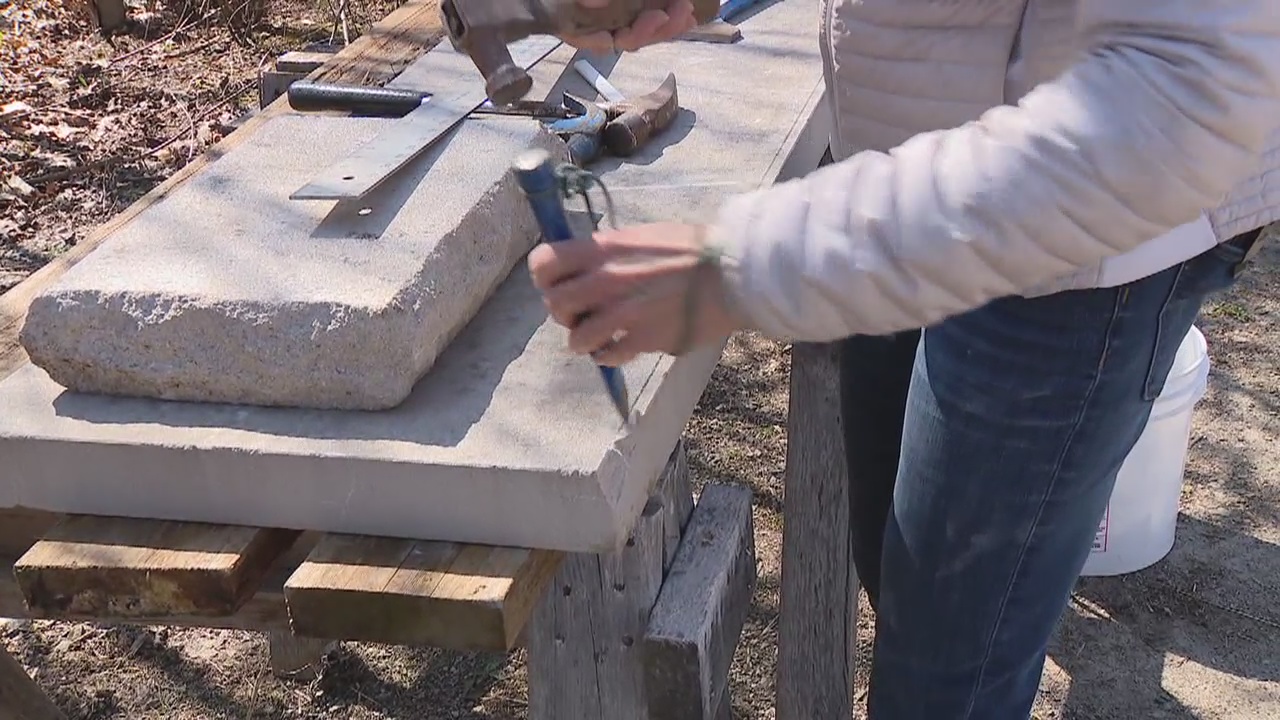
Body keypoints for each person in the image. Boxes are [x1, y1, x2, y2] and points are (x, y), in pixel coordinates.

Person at [533, 1, 1280, 718]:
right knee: (897, 575)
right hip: (918, 182)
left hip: (1083, 250)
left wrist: (766, 265)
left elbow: (1176, 98)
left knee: (947, 676)